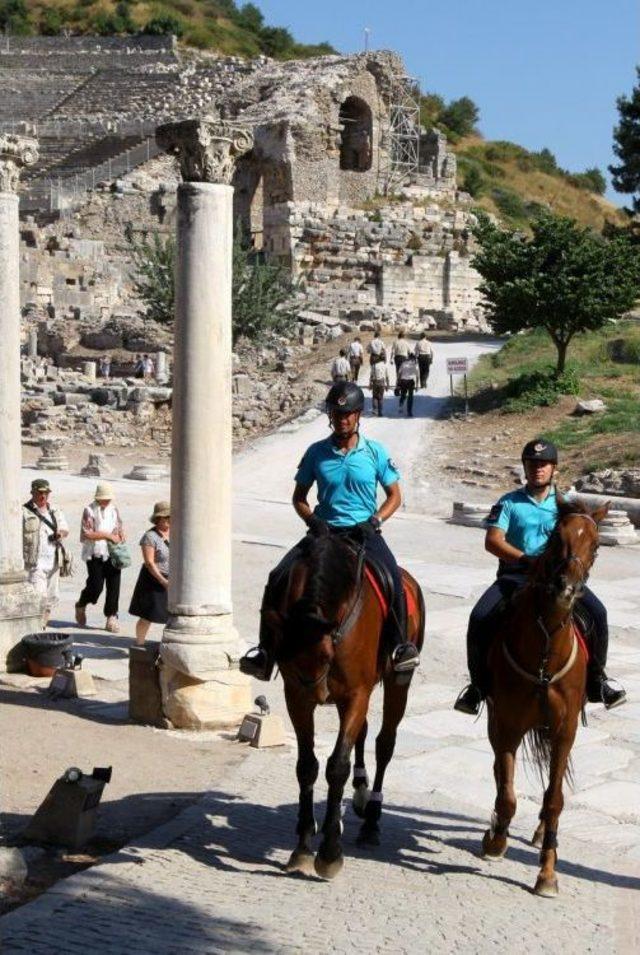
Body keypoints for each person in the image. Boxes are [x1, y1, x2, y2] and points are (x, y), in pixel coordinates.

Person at [240, 381, 420, 681]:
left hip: (364, 532)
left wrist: (375, 521)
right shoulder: (316, 452)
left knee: (391, 578)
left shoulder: (375, 452)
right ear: (330, 416)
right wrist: (312, 520)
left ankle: (400, 647)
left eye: (348, 414)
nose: (342, 419)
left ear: (358, 415)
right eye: (337, 414)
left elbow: (394, 496)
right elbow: (299, 498)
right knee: (278, 575)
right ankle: (265, 652)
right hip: (324, 532)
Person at [454, 439, 627, 715]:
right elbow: (493, 541)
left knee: (599, 613)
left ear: (554, 469)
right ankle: (477, 687)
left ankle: (597, 681)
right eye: (532, 464)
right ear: (524, 467)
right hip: (515, 576)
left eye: (543, 464)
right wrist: (525, 559)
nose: (538, 469)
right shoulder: (509, 502)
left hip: (557, 580)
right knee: (479, 617)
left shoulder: (566, 507)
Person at [75, 482, 126, 634]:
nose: (106, 501)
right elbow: (87, 533)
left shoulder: (113, 510)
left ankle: (111, 617)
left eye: (108, 499)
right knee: (95, 585)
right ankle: (82, 603)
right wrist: (107, 535)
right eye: (104, 499)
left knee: (114, 585)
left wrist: (121, 534)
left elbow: (118, 527)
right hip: (94, 553)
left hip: (112, 552)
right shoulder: (89, 510)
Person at [22, 478, 69, 626]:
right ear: (33, 492)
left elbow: (65, 528)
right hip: (35, 563)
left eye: (46, 493)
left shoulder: (55, 510)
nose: (43, 496)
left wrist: (60, 534)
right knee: (39, 598)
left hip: (54, 562)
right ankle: (35, 628)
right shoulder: (23, 512)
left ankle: (43, 627)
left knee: (51, 599)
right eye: (40, 493)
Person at [129, 501, 170, 646]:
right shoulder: (150, 537)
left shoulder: (174, 533)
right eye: (166, 517)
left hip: (170, 578)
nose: (169, 520)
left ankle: (169, 643)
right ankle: (139, 643)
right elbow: (150, 563)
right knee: (147, 615)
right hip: (153, 579)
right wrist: (162, 581)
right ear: (159, 518)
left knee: (172, 615)